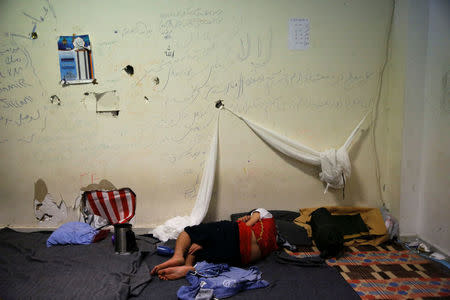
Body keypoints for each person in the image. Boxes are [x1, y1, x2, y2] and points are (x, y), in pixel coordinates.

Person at [151, 208, 278, 280]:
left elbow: (246, 225)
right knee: (201, 249)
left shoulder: (263, 211)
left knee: (191, 231)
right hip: (243, 257)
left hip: (240, 235)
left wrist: (245, 220)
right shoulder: (273, 241)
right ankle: (190, 267)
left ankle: (178, 257)